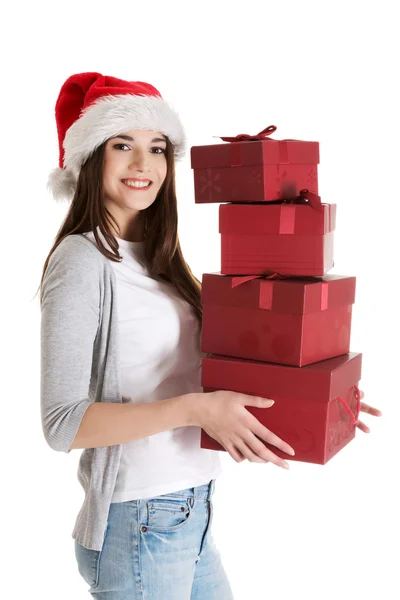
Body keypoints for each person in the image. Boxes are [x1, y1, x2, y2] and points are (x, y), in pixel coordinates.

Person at [38, 72, 382, 600]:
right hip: (139, 519)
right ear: (88, 159)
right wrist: (196, 411)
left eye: (157, 148)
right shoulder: (82, 261)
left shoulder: (160, 260)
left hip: (189, 509)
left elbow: (201, 373)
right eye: (121, 145)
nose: (143, 165)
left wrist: (314, 400)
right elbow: (63, 425)